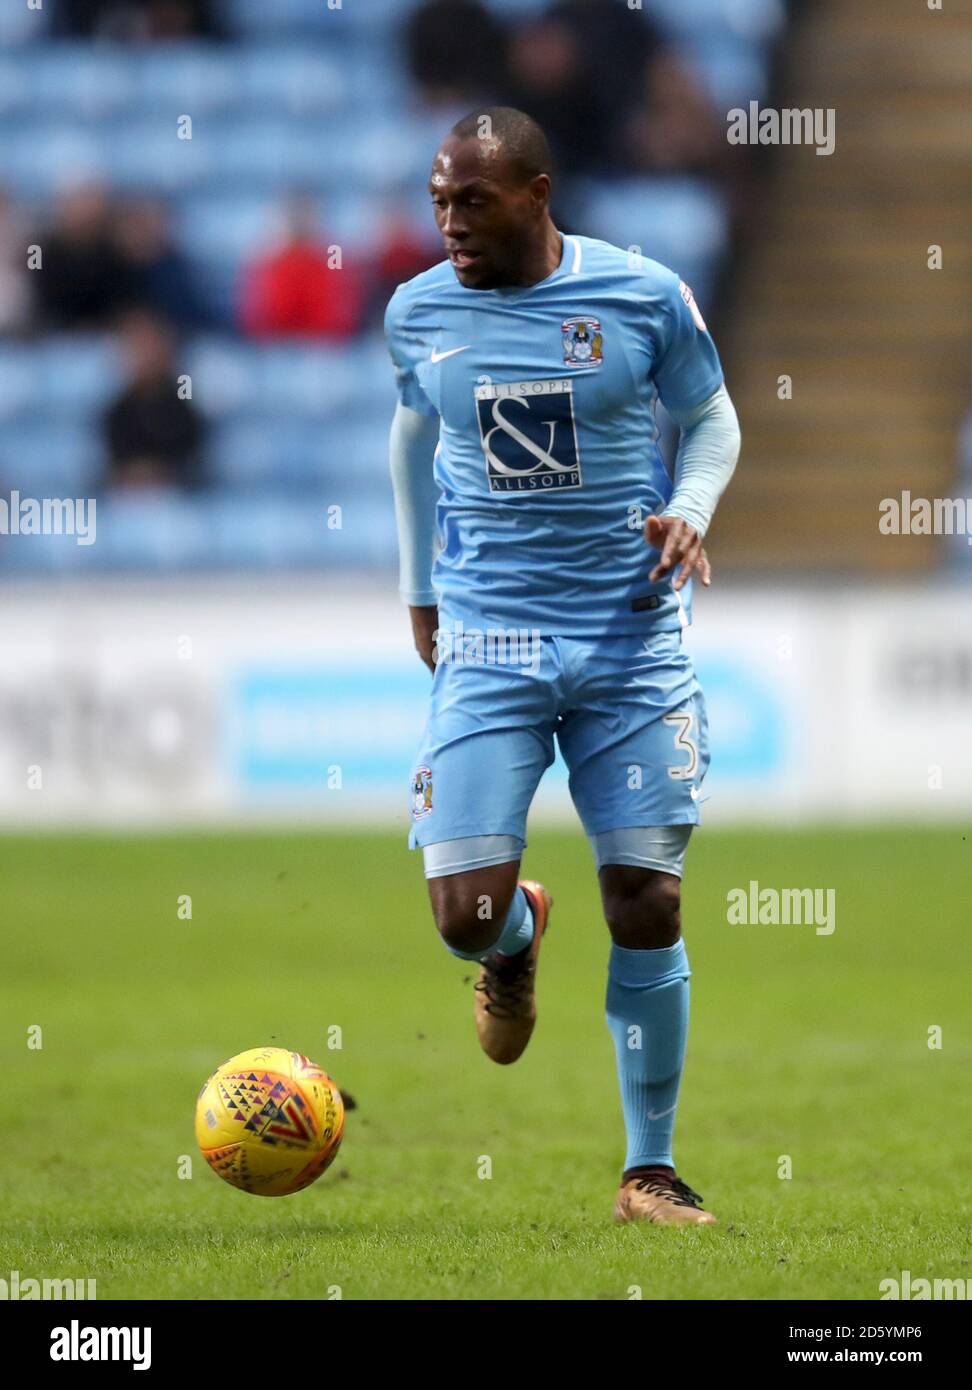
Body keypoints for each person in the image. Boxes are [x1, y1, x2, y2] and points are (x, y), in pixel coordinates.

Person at [385, 107, 740, 1226]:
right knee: (461, 914)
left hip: (629, 638)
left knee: (647, 897)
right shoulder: (416, 313)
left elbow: (714, 416)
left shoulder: (640, 295)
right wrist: (419, 586)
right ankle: (517, 937)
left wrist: (688, 507)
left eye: (471, 201)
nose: (448, 222)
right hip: (489, 637)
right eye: (437, 200)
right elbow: (411, 434)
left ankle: (651, 1168)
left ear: (537, 195)